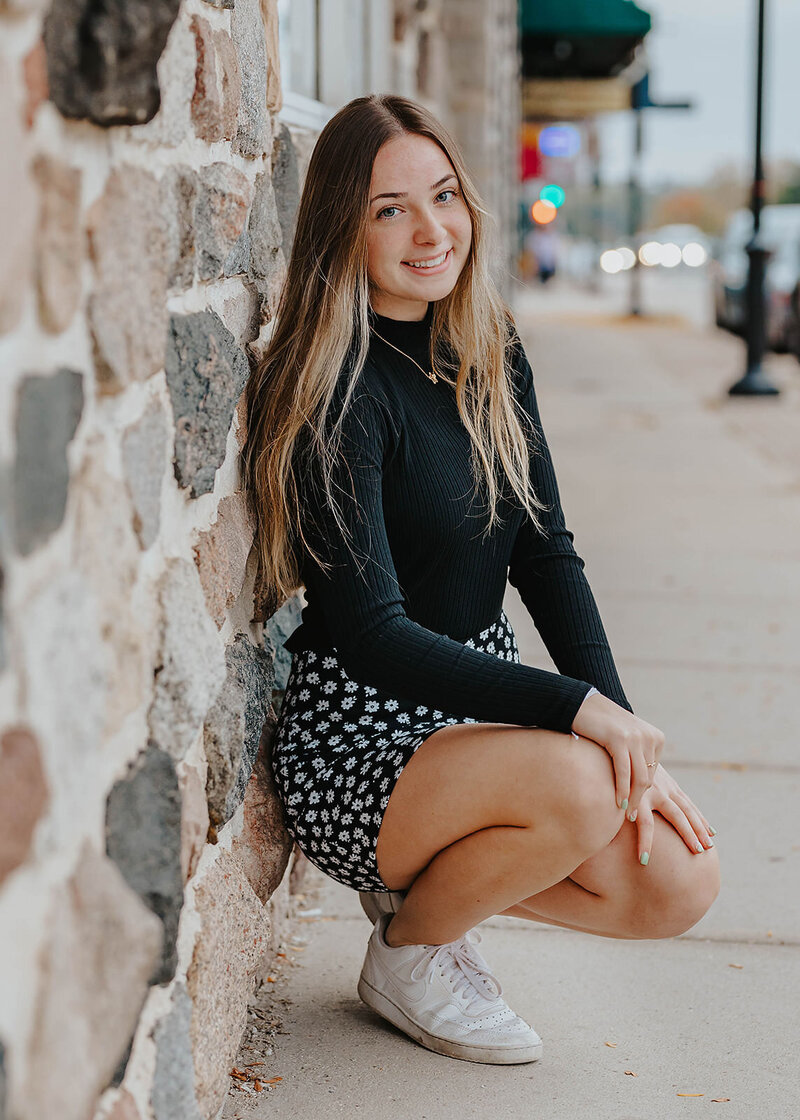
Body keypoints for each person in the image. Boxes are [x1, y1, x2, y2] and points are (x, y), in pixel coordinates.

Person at [241, 94, 720, 1067]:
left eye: (443, 196)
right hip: (360, 736)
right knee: (582, 789)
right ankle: (411, 950)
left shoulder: (488, 349)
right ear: (343, 225)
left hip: (469, 722)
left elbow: (545, 553)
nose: (430, 231)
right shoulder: (335, 388)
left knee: (677, 880)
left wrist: (623, 731)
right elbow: (372, 633)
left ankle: (427, 886)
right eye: (389, 209)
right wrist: (579, 714)